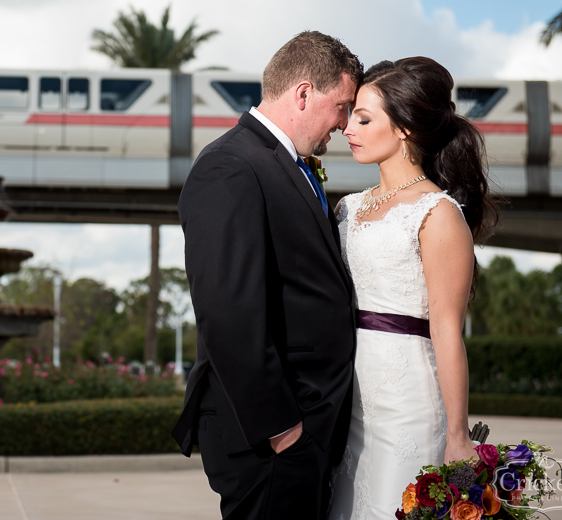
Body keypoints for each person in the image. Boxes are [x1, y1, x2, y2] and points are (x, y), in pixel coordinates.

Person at [172, 31, 363, 520]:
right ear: (303, 93)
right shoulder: (231, 166)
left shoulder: (287, 164)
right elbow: (227, 308)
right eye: (341, 106)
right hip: (271, 431)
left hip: (308, 423)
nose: (344, 124)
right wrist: (279, 426)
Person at [328, 57, 498, 520]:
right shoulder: (347, 207)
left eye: (363, 118)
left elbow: (446, 329)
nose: (348, 128)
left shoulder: (437, 213)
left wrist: (458, 434)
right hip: (348, 395)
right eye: (349, 117)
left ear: (403, 128)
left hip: (407, 399)